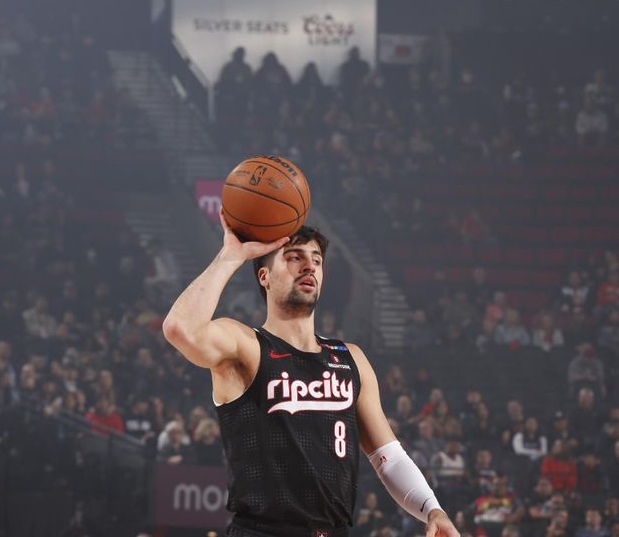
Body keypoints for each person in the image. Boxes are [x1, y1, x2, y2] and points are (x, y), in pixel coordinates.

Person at [163, 210, 460, 537]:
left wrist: (432, 509)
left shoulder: (351, 359)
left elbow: (387, 457)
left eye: (316, 259)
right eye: (294, 257)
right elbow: (181, 329)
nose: (309, 266)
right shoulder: (245, 345)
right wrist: (231, 255)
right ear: (264, 276)